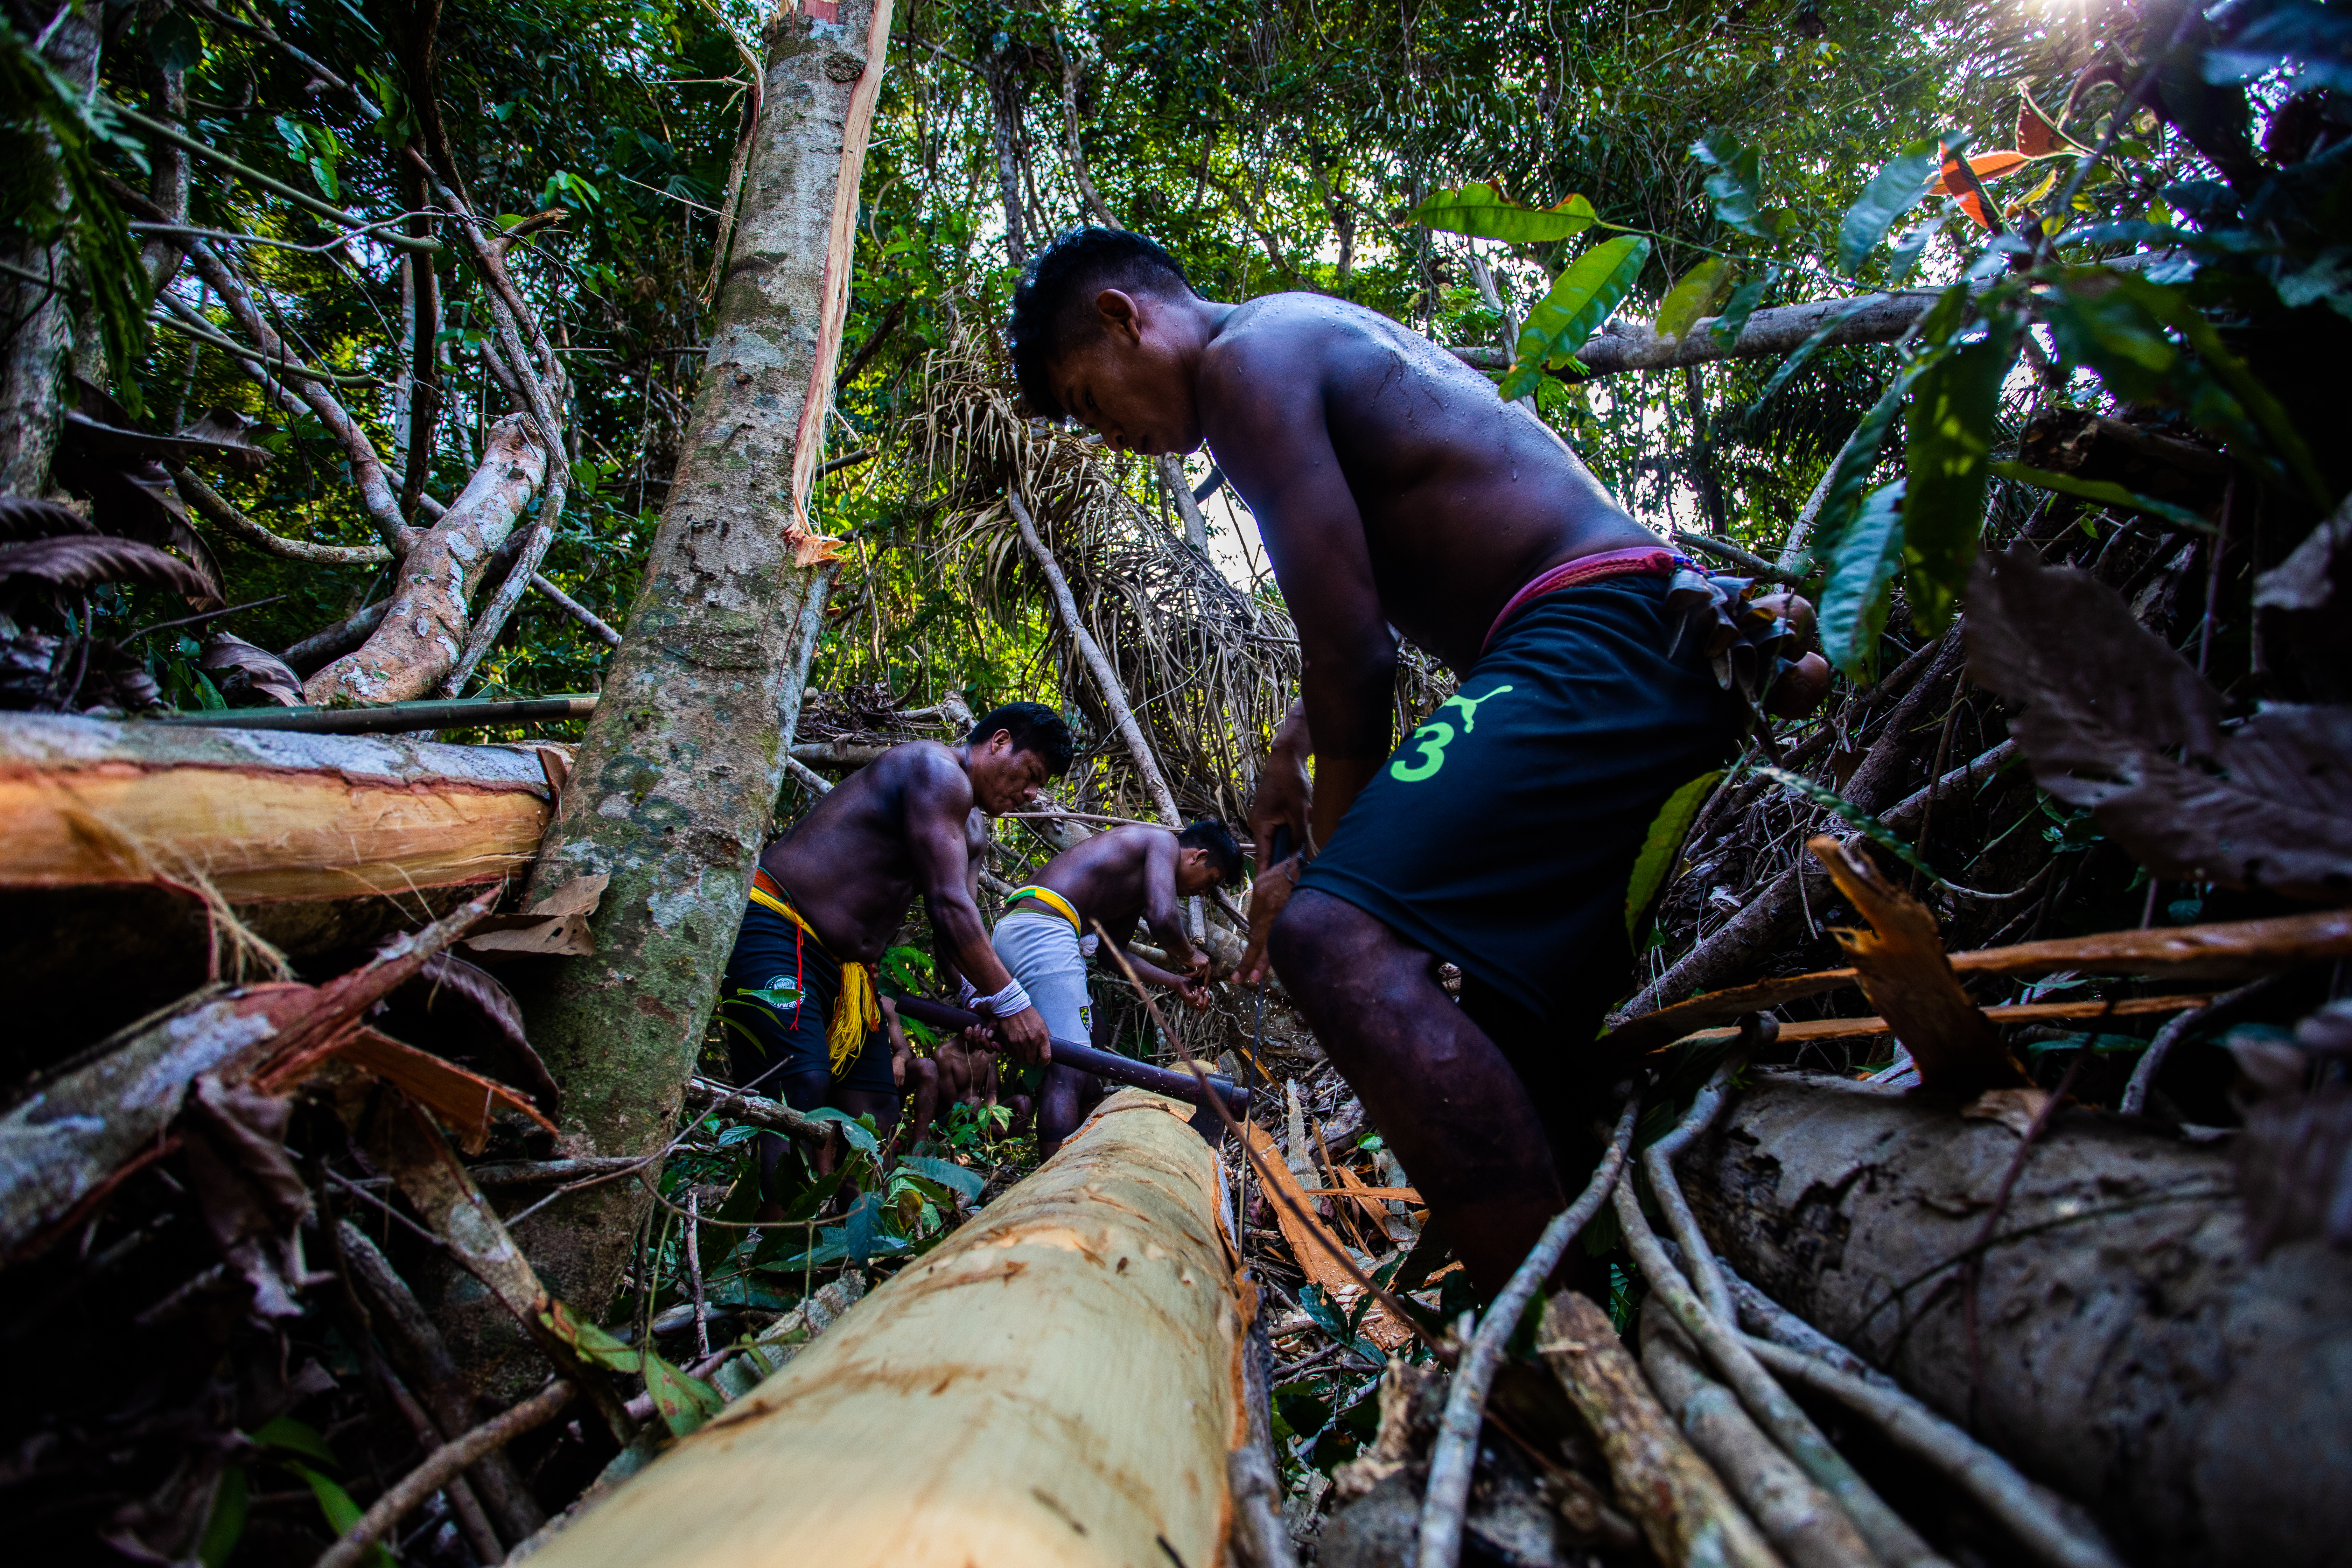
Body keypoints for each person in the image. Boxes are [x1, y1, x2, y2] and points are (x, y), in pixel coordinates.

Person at [1007, 227, 1828, 1295]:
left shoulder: (1241, 363)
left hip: (1599, 634)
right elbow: (1346, 610)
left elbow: (1356, 654)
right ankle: (1626, 1290)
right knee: (1504, 1027)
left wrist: (1328, 869)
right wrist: (1287, 753)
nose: (1107, 435)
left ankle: (1542, 1329)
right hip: (1638, 633)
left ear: (1124, 318)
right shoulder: (1291, 332)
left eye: (1087, 398)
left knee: (1330, 934)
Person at [716, 702, 1074, 1214]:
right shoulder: (935, 770)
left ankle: (849, 1250)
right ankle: (778, 1253)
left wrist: (979, 1002)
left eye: (1041, 786)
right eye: (1032, 774)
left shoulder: (973, 829)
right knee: (800, 1087)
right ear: (998, 743)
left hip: (849, 973)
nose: (1032, 794)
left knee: (876, 1105)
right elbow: (948, 906)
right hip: (779, 926)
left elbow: (956, 926)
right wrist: (1013, 1001)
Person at [991, 819, 1245, 1155]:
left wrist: (1176, 982)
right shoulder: (1163, 842)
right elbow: (1163, 919)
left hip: (1022, 929)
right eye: (1208, 883)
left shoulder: (1136, 884)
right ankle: (1057, 1186)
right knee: (1071, 1066)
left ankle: (1084, 1147)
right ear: (1197, 857)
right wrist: (1192, 956)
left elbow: (1112, 956)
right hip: (1043, 929)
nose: (1200, 893)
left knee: (1094, 1032)